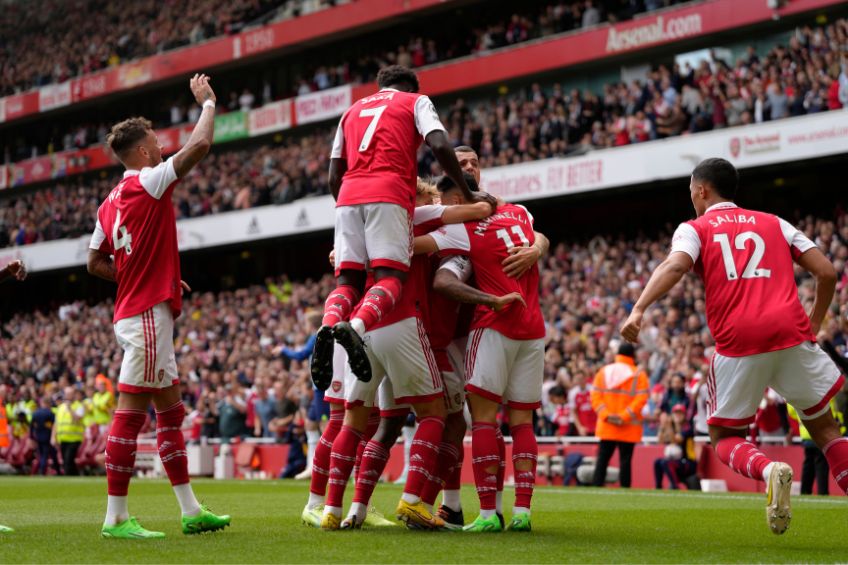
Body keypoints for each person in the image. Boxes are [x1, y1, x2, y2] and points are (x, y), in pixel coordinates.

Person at [621, 157, 847, 535]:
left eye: (691, 190)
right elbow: (826, 271)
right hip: (792, 335)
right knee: (825, 430)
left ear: (701, 190)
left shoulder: (695, 228)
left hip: (740, 342)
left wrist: (639, 308)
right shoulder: (775, 222)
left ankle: (768, 469)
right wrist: (815, 321)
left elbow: (675, 266)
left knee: (725, 437)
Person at [87, 74, 230, 539]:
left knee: (170, 412)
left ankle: (190, 511)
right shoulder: (147, 182)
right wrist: (207, 104)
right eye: (156, 141)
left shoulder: (108, 203)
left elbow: (94, 261)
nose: (163, 146)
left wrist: (150, 274)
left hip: (143, 305)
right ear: (145, 153)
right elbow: (199, 148)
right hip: (146, 313)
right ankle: (115, 519)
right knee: (130, 412)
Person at [321, 177, 494, 531]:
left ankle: (337, 508)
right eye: (428, 194)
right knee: (437, 416)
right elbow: (478, 210)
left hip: (365, 326)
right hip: (409, 327)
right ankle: (414, 500)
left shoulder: (366, 226)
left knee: (361, 423)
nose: (432, 200)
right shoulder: (424, 218)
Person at [311, 65, 481, 391]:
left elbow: (334, 175)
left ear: (380, 86)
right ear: (410, 86)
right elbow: (441, 145)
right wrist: (467, 189)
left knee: (348, 281)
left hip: (347, 197)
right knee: (391, 277)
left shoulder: (351, 112)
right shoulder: (415, 101)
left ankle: (328, 325)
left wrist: (350, 205)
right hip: (387, 192)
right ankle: (355, 328)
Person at [424, 172, 545, 533]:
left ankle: (489, 514)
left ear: (459, 202)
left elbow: (414, 248)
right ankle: (523, 512)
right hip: (533, 328)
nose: (445, 212)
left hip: (494, 325)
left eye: (446, 205)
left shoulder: (463, 229)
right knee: (523, 422)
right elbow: (541, 237)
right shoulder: (520, 213)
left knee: (484, 420)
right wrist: (538, 248)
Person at [589, 343, 649, 489]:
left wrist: (606, 415)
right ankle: (625, 490)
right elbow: (641, 399)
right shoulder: (638, 375)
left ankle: (596, 487)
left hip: (607, 424)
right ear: (633, 356)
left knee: (602, 459)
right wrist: (624, 416)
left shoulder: (603, 372)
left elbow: (595, 396)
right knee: (625, 461)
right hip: (628, 426)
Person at [654, 404, 699, 490]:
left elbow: (676, 440)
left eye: (680, 413)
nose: (678, 415)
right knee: (657, 462)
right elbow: (660, 441)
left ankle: (675, 487)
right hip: (677, 462)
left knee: (666, 463)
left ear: (684, 415)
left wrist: (668, 426)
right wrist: (662, 426)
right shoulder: (672, 427)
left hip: (688, 462)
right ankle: (658, 487)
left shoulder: (688, 428)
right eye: (676, 413)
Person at [53, 386, 86, 476]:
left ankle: (68, 478)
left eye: (70, 394)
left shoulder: (79, 406)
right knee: (66, 461)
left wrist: (70, 409)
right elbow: (56, 423)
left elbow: (77, 419)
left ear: (74, 394)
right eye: (67, 394)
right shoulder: (61, 407)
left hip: (74, 439)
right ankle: (76, 476)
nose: (68, 396)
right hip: (63, 439)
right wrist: (53, 437)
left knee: (68, 460)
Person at [31, 396, 60, 476]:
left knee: (42, 455)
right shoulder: (50, 413)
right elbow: (54, 426)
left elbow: (32, 426)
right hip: (48, 437)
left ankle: (47, 470)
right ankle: (43, 471)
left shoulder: (36, 413)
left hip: (39, 437)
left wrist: (32, 438)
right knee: (47, 455)